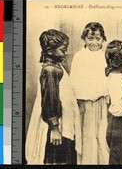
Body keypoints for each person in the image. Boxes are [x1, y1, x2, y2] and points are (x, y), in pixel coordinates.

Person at [26, 29, 81, 164]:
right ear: (50, 51)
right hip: (57, 128)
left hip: (64, 124)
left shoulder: (57, 66)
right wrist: (54, 128)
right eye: (63, 50)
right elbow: (49, 100)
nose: (66, 53)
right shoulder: (50, 70)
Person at [70, 22, 109, 164]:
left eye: (98, 39)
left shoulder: (104, 56)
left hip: (101, 102)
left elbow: (107, 77)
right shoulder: (79, 56)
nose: (94, 43)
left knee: (101, 134)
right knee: (87, 135)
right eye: (90, 38)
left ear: (103, 39)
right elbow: (74, 80)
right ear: (84, 39)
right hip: (84, 102)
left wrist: (104, 93)